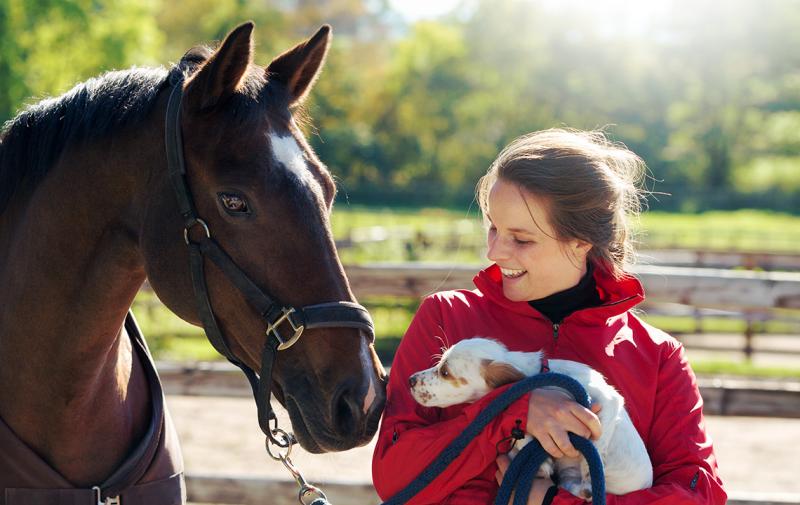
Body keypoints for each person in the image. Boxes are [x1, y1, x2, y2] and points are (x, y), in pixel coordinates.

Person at [371, 128, 727, 504]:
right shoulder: (445, 317)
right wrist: (511, 413)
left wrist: (552, 501)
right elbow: (394, 478)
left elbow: (698, 495)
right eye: (493, 228)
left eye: (521, 239)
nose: (495, 252)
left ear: (580, 241)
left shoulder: (657, 356)